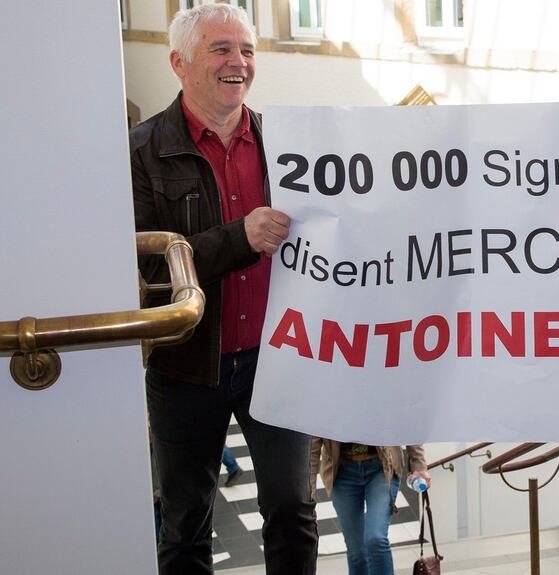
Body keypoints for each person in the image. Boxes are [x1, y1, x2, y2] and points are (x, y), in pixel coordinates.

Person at [131, 4, 318, 573]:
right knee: (186, 523)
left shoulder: (287, 144)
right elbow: (148, 272)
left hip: (276, 358)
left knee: (294, 510)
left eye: (247, 50)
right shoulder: (139, 152)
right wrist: (241, 237)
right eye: (221, 49)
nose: (238, 62)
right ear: (178, 63)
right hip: (185, 367)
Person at [311, 439, 431, 575]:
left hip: (382, 466)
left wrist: (419, 465)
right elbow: (313, 442)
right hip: (342, 471)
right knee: (357, 551)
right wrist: (308, 489)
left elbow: (407, 423)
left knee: (376, 538)